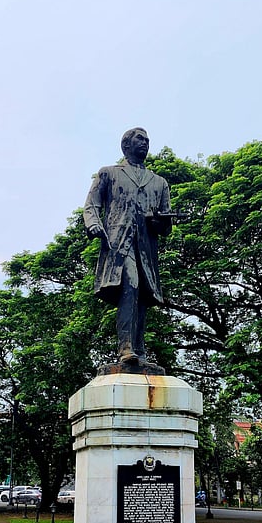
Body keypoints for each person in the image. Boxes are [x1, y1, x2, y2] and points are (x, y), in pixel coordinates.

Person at [83, 127, 172, 364]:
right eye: (140, 139)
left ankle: (139, 351)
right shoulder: (109, 173)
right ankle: (126, 347)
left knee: (143, 293)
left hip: (146, 247)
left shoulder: (159, 182)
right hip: (118, 243)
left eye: (147, 140)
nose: (145, 143)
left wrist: (159, 222)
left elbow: (166, 226)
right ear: (126, 146)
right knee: (129, 284)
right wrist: (93, 224)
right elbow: (92, 205)